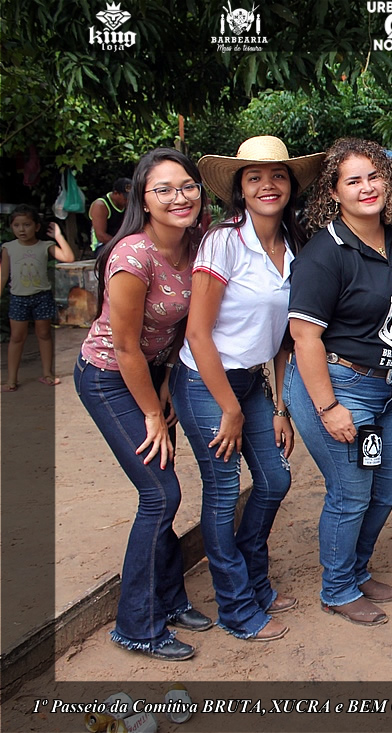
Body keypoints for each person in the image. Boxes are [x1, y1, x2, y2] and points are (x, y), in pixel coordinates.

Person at [169, 136, 323, 642]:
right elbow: (197, 334)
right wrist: (229, 409)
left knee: (275, 481)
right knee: (221, 494)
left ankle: (255, 581)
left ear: (291, 184)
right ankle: (237, 609)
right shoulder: (224, 242)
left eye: (277, 175)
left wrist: (280, 407)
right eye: (254, 177)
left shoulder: (296, 245)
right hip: (205, 382)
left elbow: (284, 339)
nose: (267, 185)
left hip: (252, 383)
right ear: (240, 188)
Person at [73, 148, 210, 660]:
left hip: (153, 375)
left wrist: (167, 381)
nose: (180, 197)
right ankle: (136, 625)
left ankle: (169, 600)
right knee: (160, 494)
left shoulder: (196, 243)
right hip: (109, 377)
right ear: (143, 200)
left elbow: (182, 328)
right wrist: (152, 411)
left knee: (161, 491)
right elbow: (125, 346)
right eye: (164, 189)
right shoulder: (132, 255)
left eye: (188, 186)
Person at [284, 138, 392, 628]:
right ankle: (337, 588)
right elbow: (304, 337)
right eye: (353, 180)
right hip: (339, 387)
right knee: (350, 491)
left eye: (374, 176)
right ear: (334, 192)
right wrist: (328, 407)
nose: (367, 187)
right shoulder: (325, 253)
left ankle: (356, 570)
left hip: (385, 391)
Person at [2, 206, 76, 390]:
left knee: (44, 335)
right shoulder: (8, 248)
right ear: (11, 227)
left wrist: (58, 236)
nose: (21, 229)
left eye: (27, 225)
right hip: (18, 298)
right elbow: (3, 275)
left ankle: (48, 373)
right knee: (17, 337)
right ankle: (11, 380)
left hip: (42, 297)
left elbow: (68, 258)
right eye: (17, 225)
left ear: (36, 227)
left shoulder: (45, 246)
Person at [89, 177, 131, 252]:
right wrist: (122, 245)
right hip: (103, 245)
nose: (128, 201)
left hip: (123, 243)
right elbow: (101, 236)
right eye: (125, 198)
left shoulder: (127, 205)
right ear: (115, 193)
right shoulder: (101, 205)